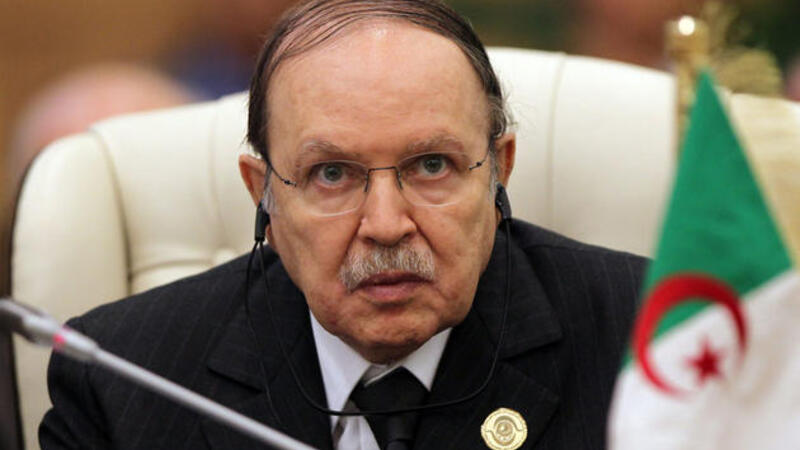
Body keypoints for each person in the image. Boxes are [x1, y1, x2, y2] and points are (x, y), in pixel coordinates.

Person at [40, 1, 646, 449]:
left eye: (431, 165)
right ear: (263, 194)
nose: (385, 225)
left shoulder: (651, 337)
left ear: (499, 171)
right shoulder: (123, 381)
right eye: (332, 174)